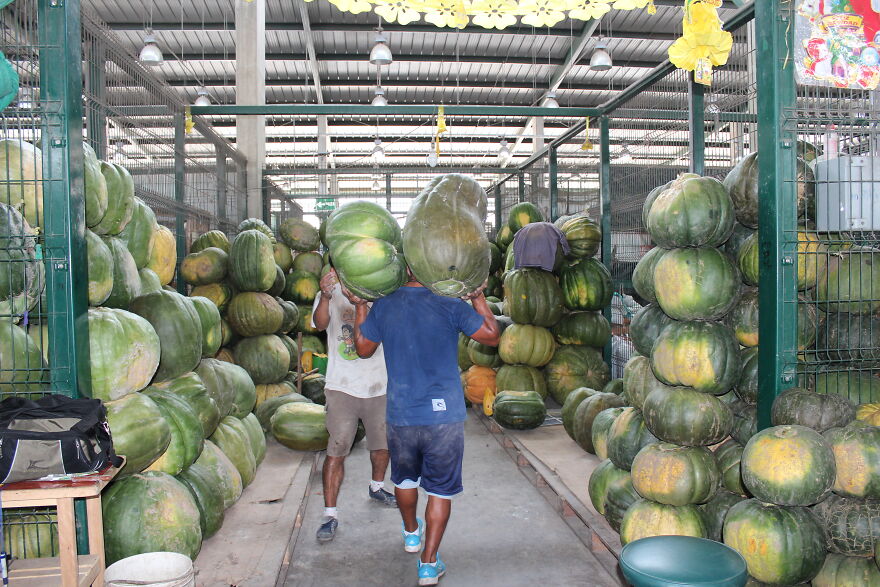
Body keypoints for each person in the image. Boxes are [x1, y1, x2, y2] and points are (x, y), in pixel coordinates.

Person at [344, 273, 499, 586]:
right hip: (444, 417)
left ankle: (411, 534)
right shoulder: (449, 301)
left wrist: (361, 305)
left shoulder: (385, 304)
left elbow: (362, 349)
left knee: (404, 479)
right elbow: (492, 336)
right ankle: (428, 564)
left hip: (402, 414)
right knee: (440, 490)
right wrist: (477, 297)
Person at [311, 268, 397, 544]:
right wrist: (325, 296)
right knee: (336, 452)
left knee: (381, 446)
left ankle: (377, 486)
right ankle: (329, 514)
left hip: (379, 385)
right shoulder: (332, 286)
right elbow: (319, 323)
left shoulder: (383, 288)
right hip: (341, 386)